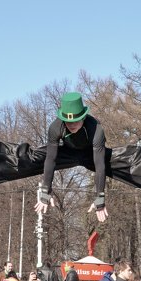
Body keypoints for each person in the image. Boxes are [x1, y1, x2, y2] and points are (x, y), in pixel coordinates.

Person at [34, 92, 108, 223]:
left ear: (83, 118)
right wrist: (46, 191)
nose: (71, 125)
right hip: (67, 152)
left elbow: (100, 165)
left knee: (109, 160)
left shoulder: (96, 129)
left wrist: (100, 198)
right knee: (38, 155)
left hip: (90, 154)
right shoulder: (55, 128)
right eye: (68, 122)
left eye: (75, 121)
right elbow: (50, 159)